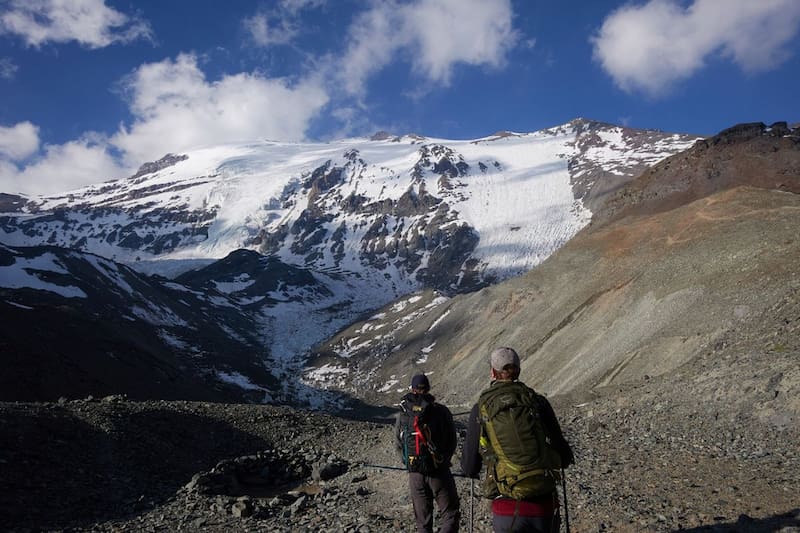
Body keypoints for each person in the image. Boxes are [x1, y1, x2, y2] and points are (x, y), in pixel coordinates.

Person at [461, 347, 574, 533]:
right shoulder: (537, 402)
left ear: (493, 372)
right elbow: (564, 455)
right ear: (518, 370)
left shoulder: (481, 408)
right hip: (543, 505)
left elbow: (469, 467)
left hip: (507, 507)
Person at [395, 373, 461, 533]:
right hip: (439, 471)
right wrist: (444, 459)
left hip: (415, 473)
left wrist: (409, 463)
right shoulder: (441, 411)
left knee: (422, 522)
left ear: (412, 389)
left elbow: (398, 443)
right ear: (429, 389)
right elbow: (452, 440)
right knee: (450, 514)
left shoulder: (403, 414)